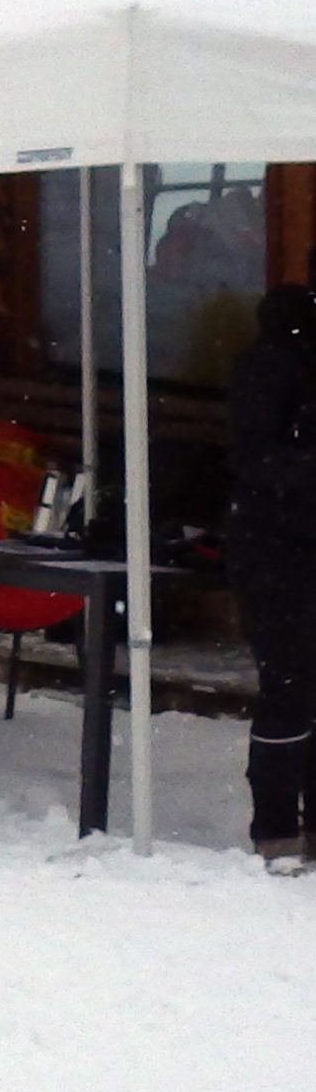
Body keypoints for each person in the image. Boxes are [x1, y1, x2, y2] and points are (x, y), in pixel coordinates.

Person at [227, 278, 316, 867]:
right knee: (290, 685)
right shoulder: (272, 359)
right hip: (274, 546)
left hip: (297, 536)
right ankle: (277, 828)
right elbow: (252, 455)